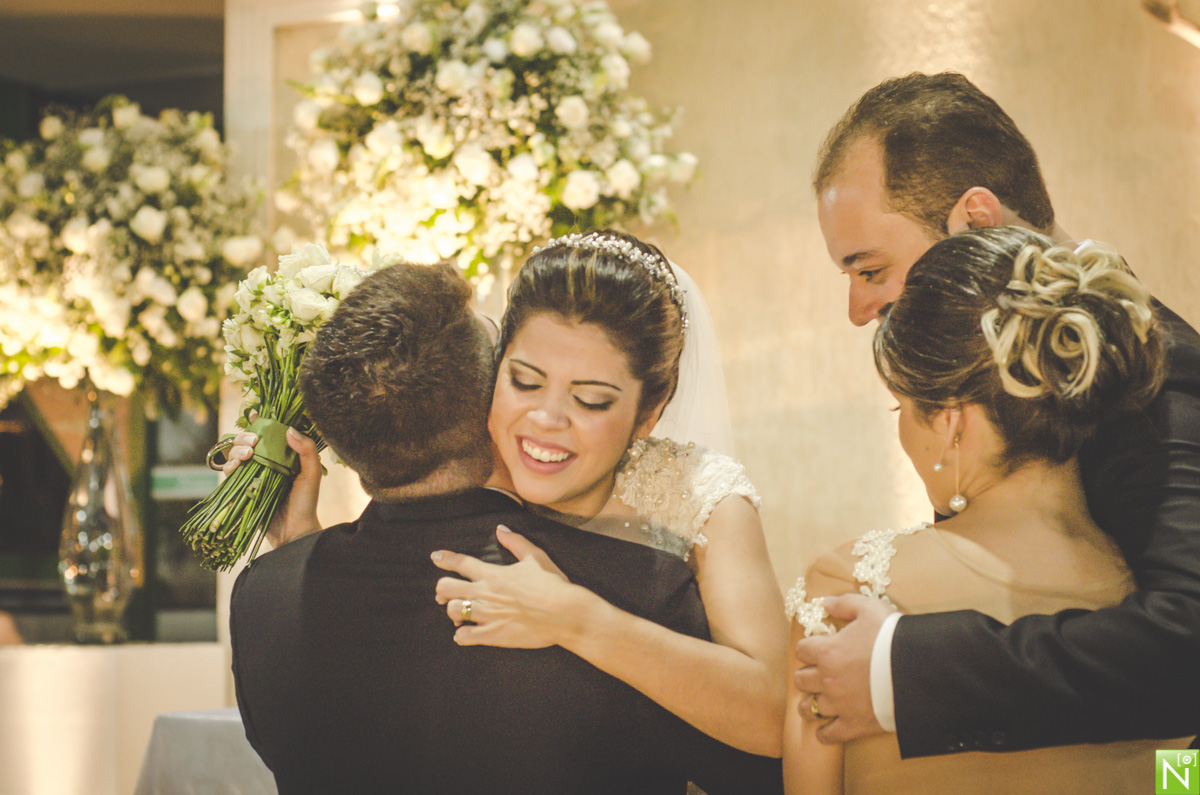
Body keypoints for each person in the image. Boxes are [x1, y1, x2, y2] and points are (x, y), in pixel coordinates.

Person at [228, 260, 783, 794]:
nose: (546, 416)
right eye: (521, 376)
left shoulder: (264, 597)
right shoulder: (636, 590)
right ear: (484, 399)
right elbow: (765, 773)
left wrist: (297, 557)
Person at [794, 71, 1200, 756]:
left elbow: (1186, 647)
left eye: (870, 269)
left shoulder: (1158, 375)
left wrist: (898, 670)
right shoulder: (1008, 385)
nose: (859, 310)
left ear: (976, 219)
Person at [431, 231, 788, 757]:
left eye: (592, 400)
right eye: (525, 382)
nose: (546, 420)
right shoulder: (465, 458)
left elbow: (774, 717)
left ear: (651, 409)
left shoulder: (700, 499)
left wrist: (576, 618)